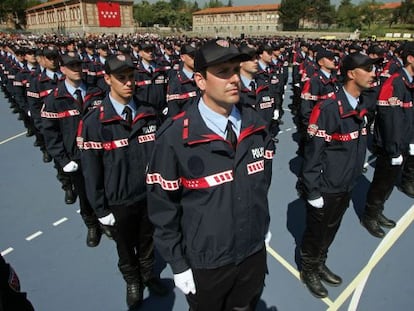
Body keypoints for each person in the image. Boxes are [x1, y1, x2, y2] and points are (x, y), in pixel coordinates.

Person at [147, 39, 274, 311]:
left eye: (235, 70)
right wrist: (178, 263)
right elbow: (163, 208)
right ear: (200, 81)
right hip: (207, 261)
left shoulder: (256, 125)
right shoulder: (175, 137)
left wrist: (261, 224)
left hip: (251, 251)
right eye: (223, 72)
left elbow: (262, 182)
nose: (233, 79)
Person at [79, 54, 167, 310]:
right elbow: (91, 172)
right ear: (107, 79)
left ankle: (149, 275)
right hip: (119, 200)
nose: (129, 82)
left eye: (131, 76)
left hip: (148, 196)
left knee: (148, 240)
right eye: (121, 77)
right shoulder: (94, 123)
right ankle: (133, 281)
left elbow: (160, 155)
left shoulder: (148, 113)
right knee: (125, 246)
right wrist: (101, 210)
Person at [300, 52, 376, 298]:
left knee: (332, 227)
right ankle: (309, 268)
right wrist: (312, 189)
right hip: (326, 185)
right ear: (352, 74)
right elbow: (313, 153)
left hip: (346, 181)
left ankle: (320, 261)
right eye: (368, 69)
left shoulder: (362, 104)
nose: (374, 73)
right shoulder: (329, 108)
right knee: (316, 231)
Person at [41, 52, 105, 247]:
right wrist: (63, 160)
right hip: (76, 157)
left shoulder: (96, 93)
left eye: (78, 65)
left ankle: (105, 219)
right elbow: (51, 134)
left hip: (99, 153)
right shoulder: (55, 99)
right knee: (85, 195)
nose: (77, 69)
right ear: (62, 69)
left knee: (105, 189)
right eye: (71, 66)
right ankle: (92, 224)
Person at [361, 42, 414, 238]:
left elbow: (408, 116)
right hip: (390, 145)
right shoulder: (395, 82)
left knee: (389, 182)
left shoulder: (408, 82)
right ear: (410, 58)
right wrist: (393, 149)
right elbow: (388, 118)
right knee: (381, 182)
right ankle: (369, 216)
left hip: (401, 143)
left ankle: (378, 210)